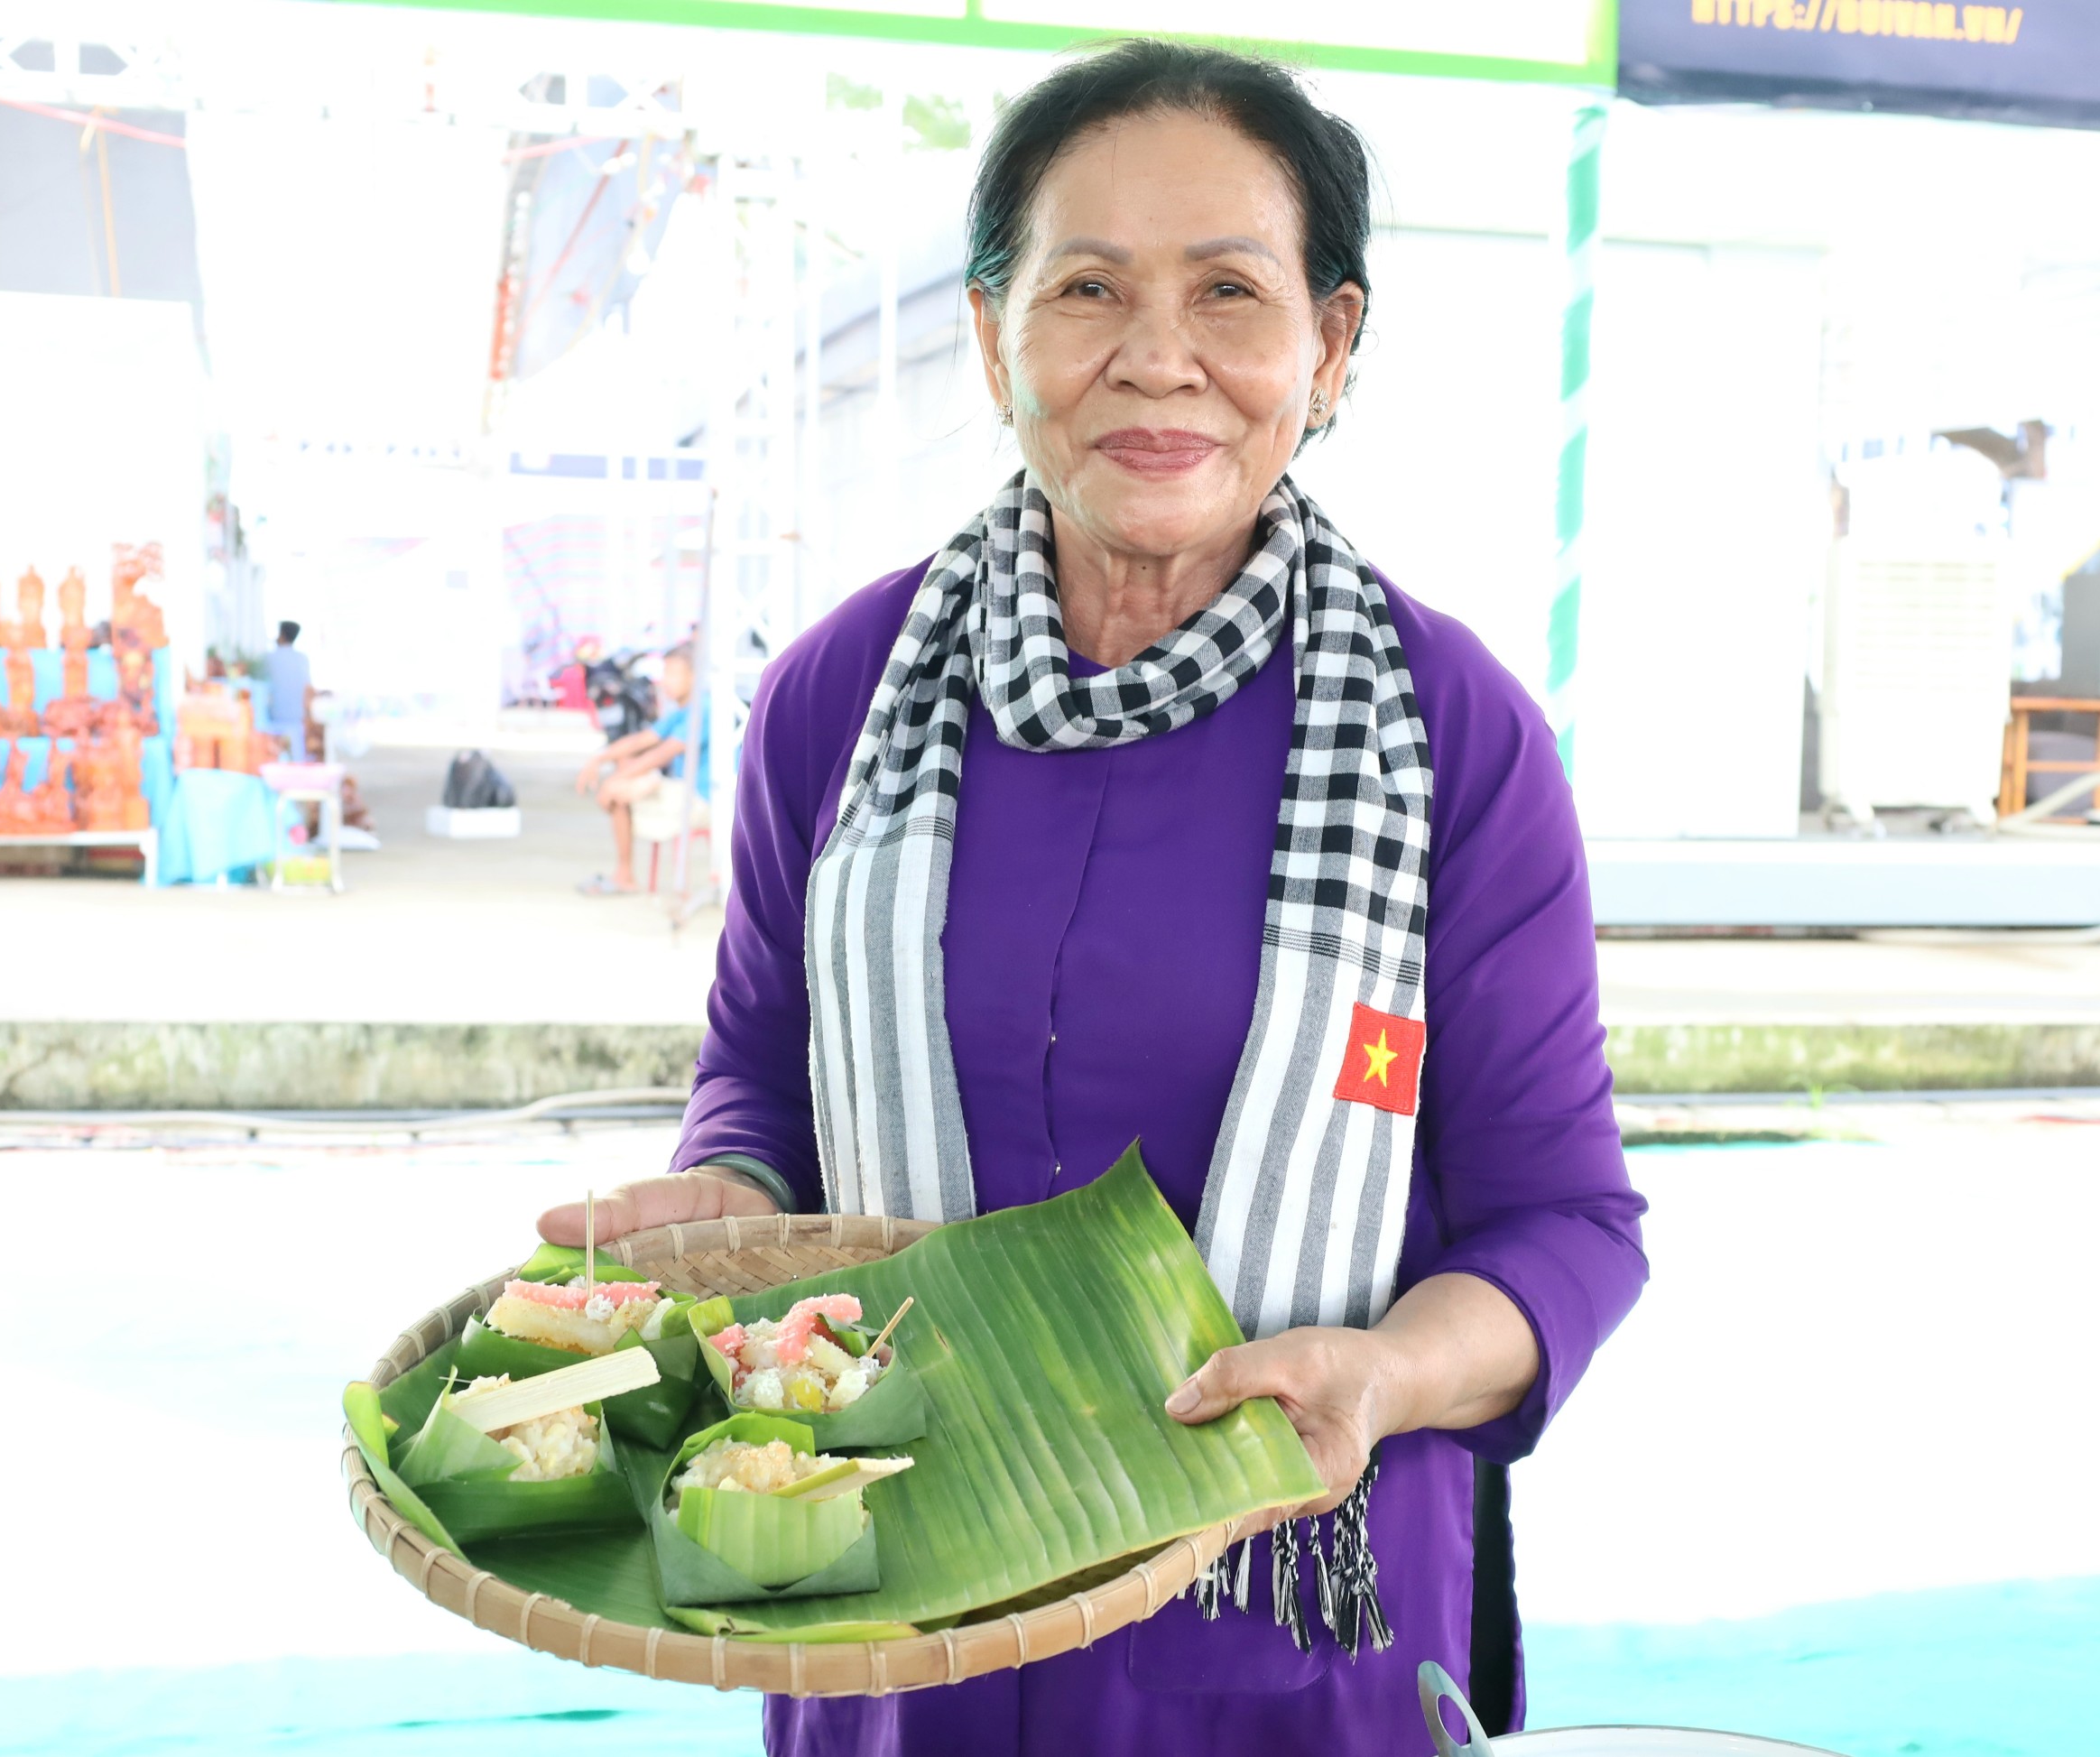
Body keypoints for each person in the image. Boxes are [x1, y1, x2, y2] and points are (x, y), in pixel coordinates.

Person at [539, 41, 1646, 1754]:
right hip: (891, 1604)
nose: (1158, 358)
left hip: (1292, 1629)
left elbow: (1564, 1228)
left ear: (1328, 347)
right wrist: (729, 1197)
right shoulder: (841, 692)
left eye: (1229, 291)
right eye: (1087, 288)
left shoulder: (1448, 732)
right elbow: (765, 1070)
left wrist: (1388, 1375)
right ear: (994, 338)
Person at [574, 640, 702, 894]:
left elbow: (661, 755)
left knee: (618, 790)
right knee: (622, 771)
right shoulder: (681, 711)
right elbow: (642, 740)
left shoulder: (704, 708)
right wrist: (598, 759)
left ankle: (625, 875)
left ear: (695, 676)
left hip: (700, 796)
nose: (664, 681)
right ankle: (624, 874)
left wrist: (614, 780)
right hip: (679, 789)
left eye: (671, 674)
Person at [262, 620, 310, 760]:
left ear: (281, 635)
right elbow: (308, 689)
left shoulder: (269, 658)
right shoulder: (302, 659)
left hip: (275, 717)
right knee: (297, 755)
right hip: (297, 717)